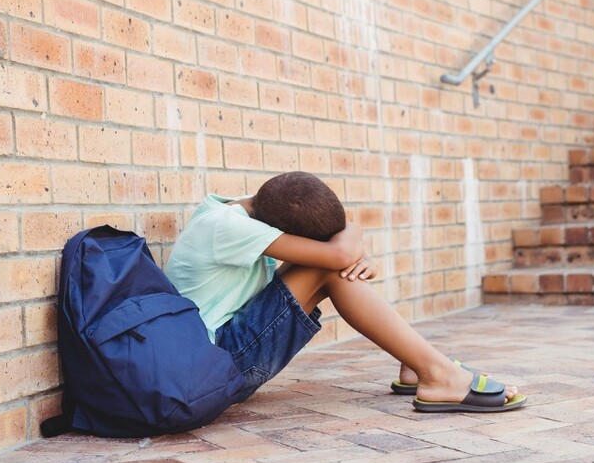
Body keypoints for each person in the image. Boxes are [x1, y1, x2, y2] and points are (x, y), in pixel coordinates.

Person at [165, 172, 525, 413]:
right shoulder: (225, 227)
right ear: (279, 228)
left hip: (220, 355)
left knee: (332, 267)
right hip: (220, 365)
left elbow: (336, 248)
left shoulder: (247, 209)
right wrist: (349, 249)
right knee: (331, 268)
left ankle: (423, 366)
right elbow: (337, 254)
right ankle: (437, 374)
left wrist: (350, 254)